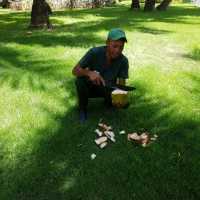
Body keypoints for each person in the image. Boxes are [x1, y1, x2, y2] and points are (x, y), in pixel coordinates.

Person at [72, 28, 129, 122]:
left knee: (118, 103)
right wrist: (89, 73)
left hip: (108, 88)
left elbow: (121, 84)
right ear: (107, 43)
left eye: (121, 47)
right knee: (80, 81)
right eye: (115, 46)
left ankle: (109, 103)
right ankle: (82, 109)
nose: (118, 50)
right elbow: (75, 71)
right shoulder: (94, 53)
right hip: (90, 87)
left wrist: (121, 97)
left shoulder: (123, 61)